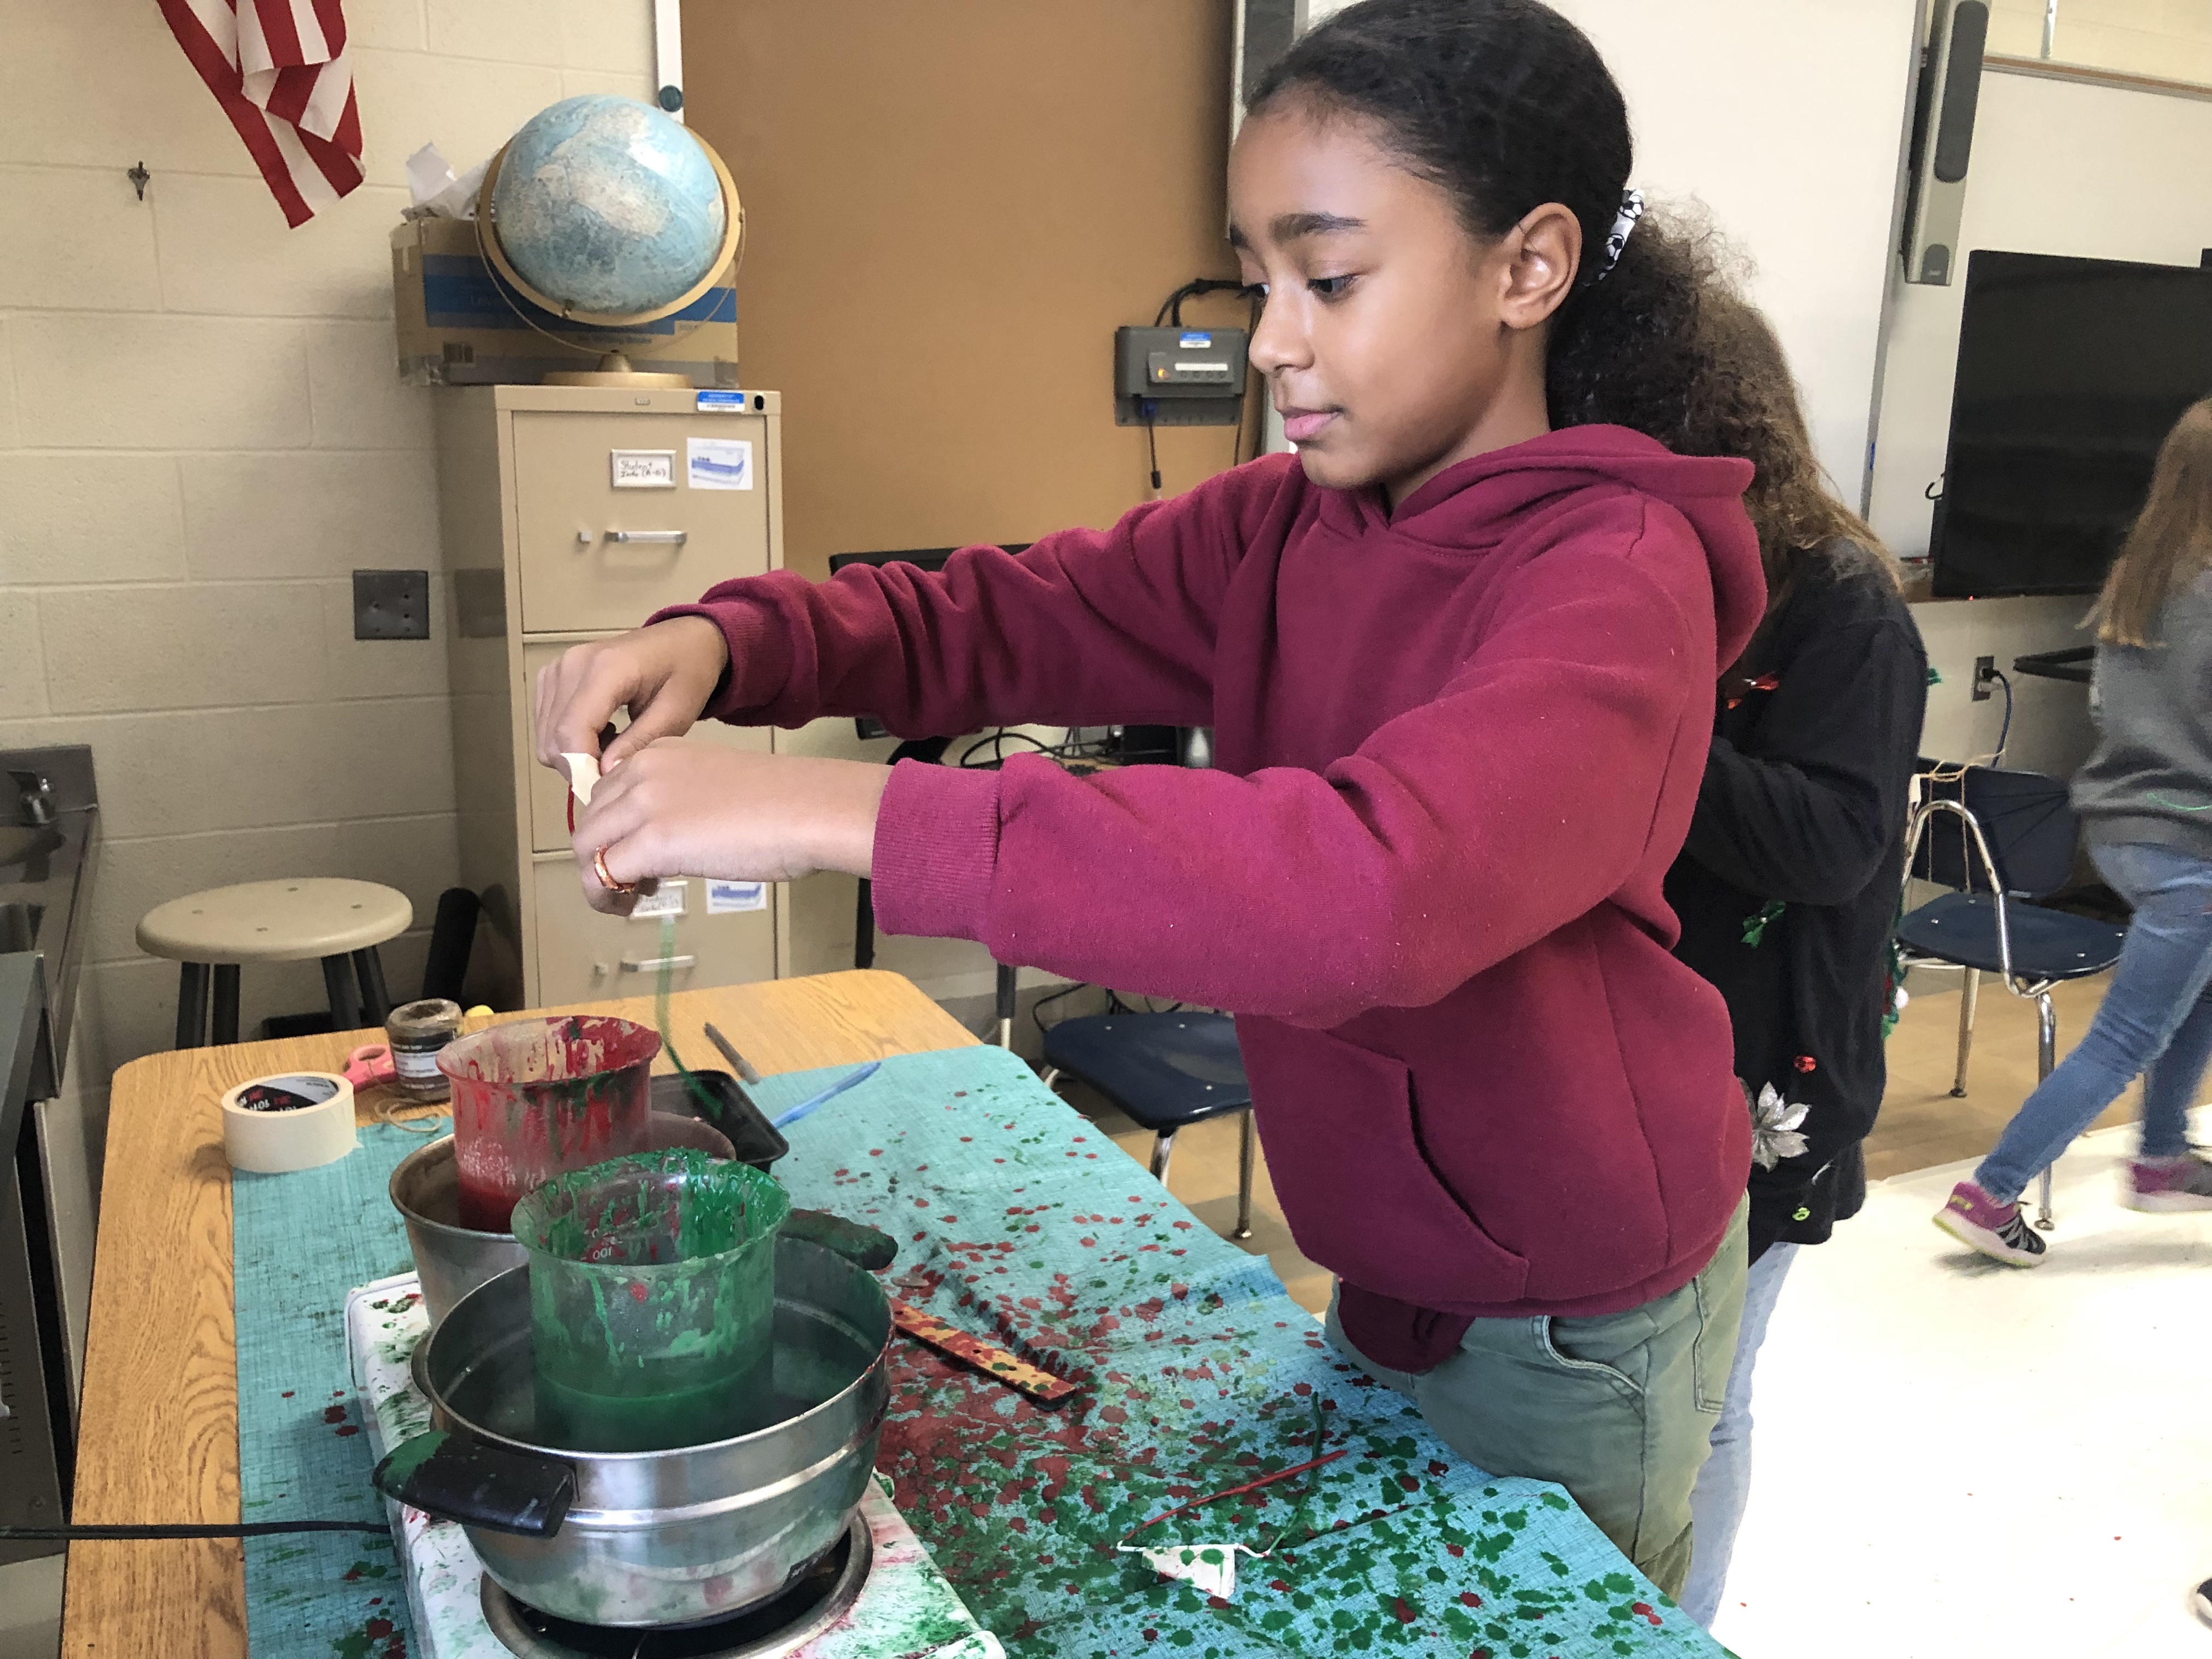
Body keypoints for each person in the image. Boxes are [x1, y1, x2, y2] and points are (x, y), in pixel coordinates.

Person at [536, 0, 1769, 1595]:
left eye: (1329, 279)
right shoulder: (1280, 526)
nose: (1271, 341)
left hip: (1572, 1317)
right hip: (1389, 1262)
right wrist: (724, 637)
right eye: (1261, 283)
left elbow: (1366, 897)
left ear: (1526, 268)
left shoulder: (1617, 578)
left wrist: (829, 815)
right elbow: (995, 614)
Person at [1661, 301, 1927, 1627]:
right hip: (1648, 1043)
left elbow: (1835, 841)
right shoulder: (1667, 584)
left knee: (1709, 1398)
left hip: (1768, 1063)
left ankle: (1683, 1632)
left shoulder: (1843, 606)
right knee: (1638, 1383)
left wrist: (1638, 735)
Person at [1936, 397, 2212, 1266]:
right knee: (2129, 1033)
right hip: (2190, 844)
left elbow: (2112, 705)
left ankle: (2162, 1156)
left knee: (2202, 991)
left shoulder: (2144, 576)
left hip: (2124, 829)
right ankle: (1993, 1191)